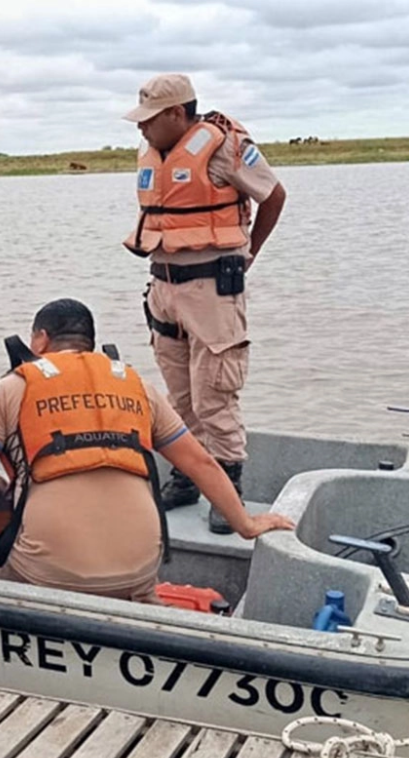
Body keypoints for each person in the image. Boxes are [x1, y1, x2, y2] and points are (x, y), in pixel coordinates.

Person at [0, 300, 294, 602]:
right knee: (137, 578)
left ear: (41, 339)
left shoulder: (13, 387)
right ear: (89, 342)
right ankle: (143, 599)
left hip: (47, 572)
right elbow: (200, 460)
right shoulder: (135, 384)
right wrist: (246, 524)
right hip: (142, 565)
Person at [122, 74, 287, 534]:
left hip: (212, 288)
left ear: (177, 114)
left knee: (215, 391)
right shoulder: (153, 149)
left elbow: (273, 195)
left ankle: (227, 487)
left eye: (149, 121)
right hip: (163, 285)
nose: (142, 130)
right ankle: (188, 478)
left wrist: (249, 253)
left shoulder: (223, 147)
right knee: (179, 395)